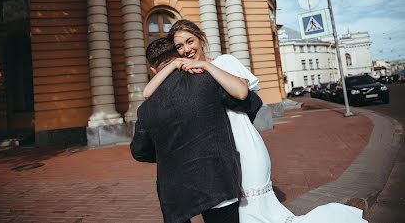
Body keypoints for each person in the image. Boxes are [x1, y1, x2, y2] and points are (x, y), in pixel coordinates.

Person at [143, 19, 368, 223]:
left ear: (201, 39)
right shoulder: (187, 75)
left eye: (190, 41)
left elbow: (242, 93)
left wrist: (209, 66)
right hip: (219, 154)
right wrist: (175, 65)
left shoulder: (225, 61)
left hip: (243, 144)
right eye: (180, 47)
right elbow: (148, 93)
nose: (187, 49)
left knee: (252, 214)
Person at [130, 37, 263, 223]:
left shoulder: (145, 109)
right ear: (179, 55)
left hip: (174, 193)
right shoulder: (206, 80)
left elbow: (139, 152)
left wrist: (167, 151)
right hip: (216, 180)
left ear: (152, 70)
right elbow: (250, 103)